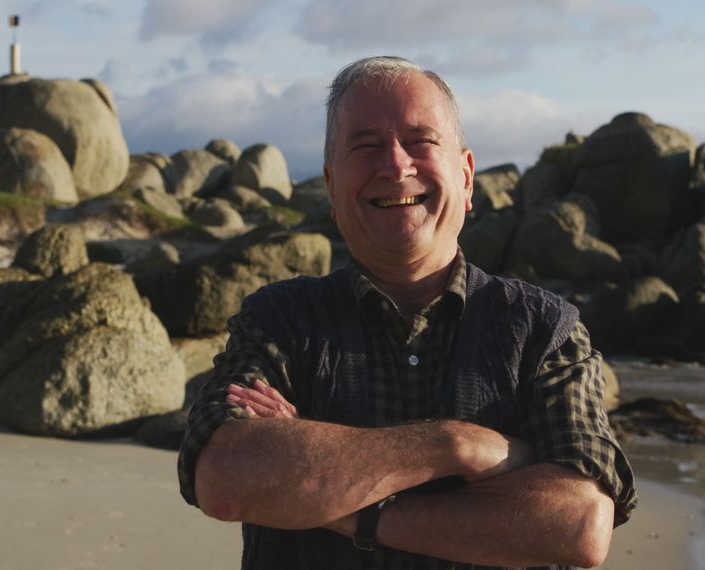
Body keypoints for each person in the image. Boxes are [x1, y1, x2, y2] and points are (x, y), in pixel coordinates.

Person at [177, 55, 636, 569]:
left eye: (420, 140)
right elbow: (224, 476)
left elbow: (576, 526)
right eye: (366, 145)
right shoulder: (279, 320)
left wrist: (331, 502)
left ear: (466, 178)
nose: (396, 165)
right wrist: (458, 444)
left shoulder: (545, 331)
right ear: (331, 186)